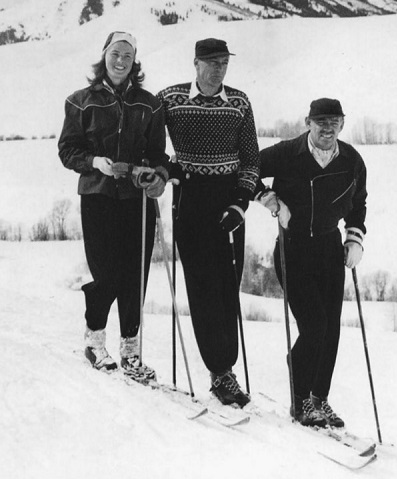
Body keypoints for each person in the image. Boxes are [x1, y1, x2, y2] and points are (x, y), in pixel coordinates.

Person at [58, 31, 169, 379]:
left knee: (135, 276)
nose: (120, 61)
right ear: (104, 56)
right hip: (98, 195)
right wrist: (95, 163)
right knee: (106, 274)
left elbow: (158, 155)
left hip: (136, 199)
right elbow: (68, 150)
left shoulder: (149, 104)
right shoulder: (80, 102)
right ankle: (94, 341)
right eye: (114, 54)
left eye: (127, 55)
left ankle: (131, 354)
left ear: (134, 60)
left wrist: (154, 175)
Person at [157, 38, 260, 407]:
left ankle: (226, 367)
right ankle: (220, 372)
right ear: (196, 63)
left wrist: (241, 203)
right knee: (201, 287)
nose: (219, 69)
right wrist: (164, 170)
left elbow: (251, 160)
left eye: (224, 63)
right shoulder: (169, 99)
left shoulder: (239, 102)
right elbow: (154, 147)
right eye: (212, 62)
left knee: (226, 287)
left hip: (229, 204)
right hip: (191, 198)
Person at [255, 98, 367, 427]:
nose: (327, 128)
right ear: (308, 122)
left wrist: (355, 237)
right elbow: (246, 171)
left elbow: (358, 202)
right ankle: (300, 399)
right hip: (294, 248)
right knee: (315, 325)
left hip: (331, 248)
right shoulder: (286, 153)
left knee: (330, 328)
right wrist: (267, 196)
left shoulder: (351, 160)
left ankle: (320, 399)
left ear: (342, 124)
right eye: (320, 121)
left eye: (334, 121)